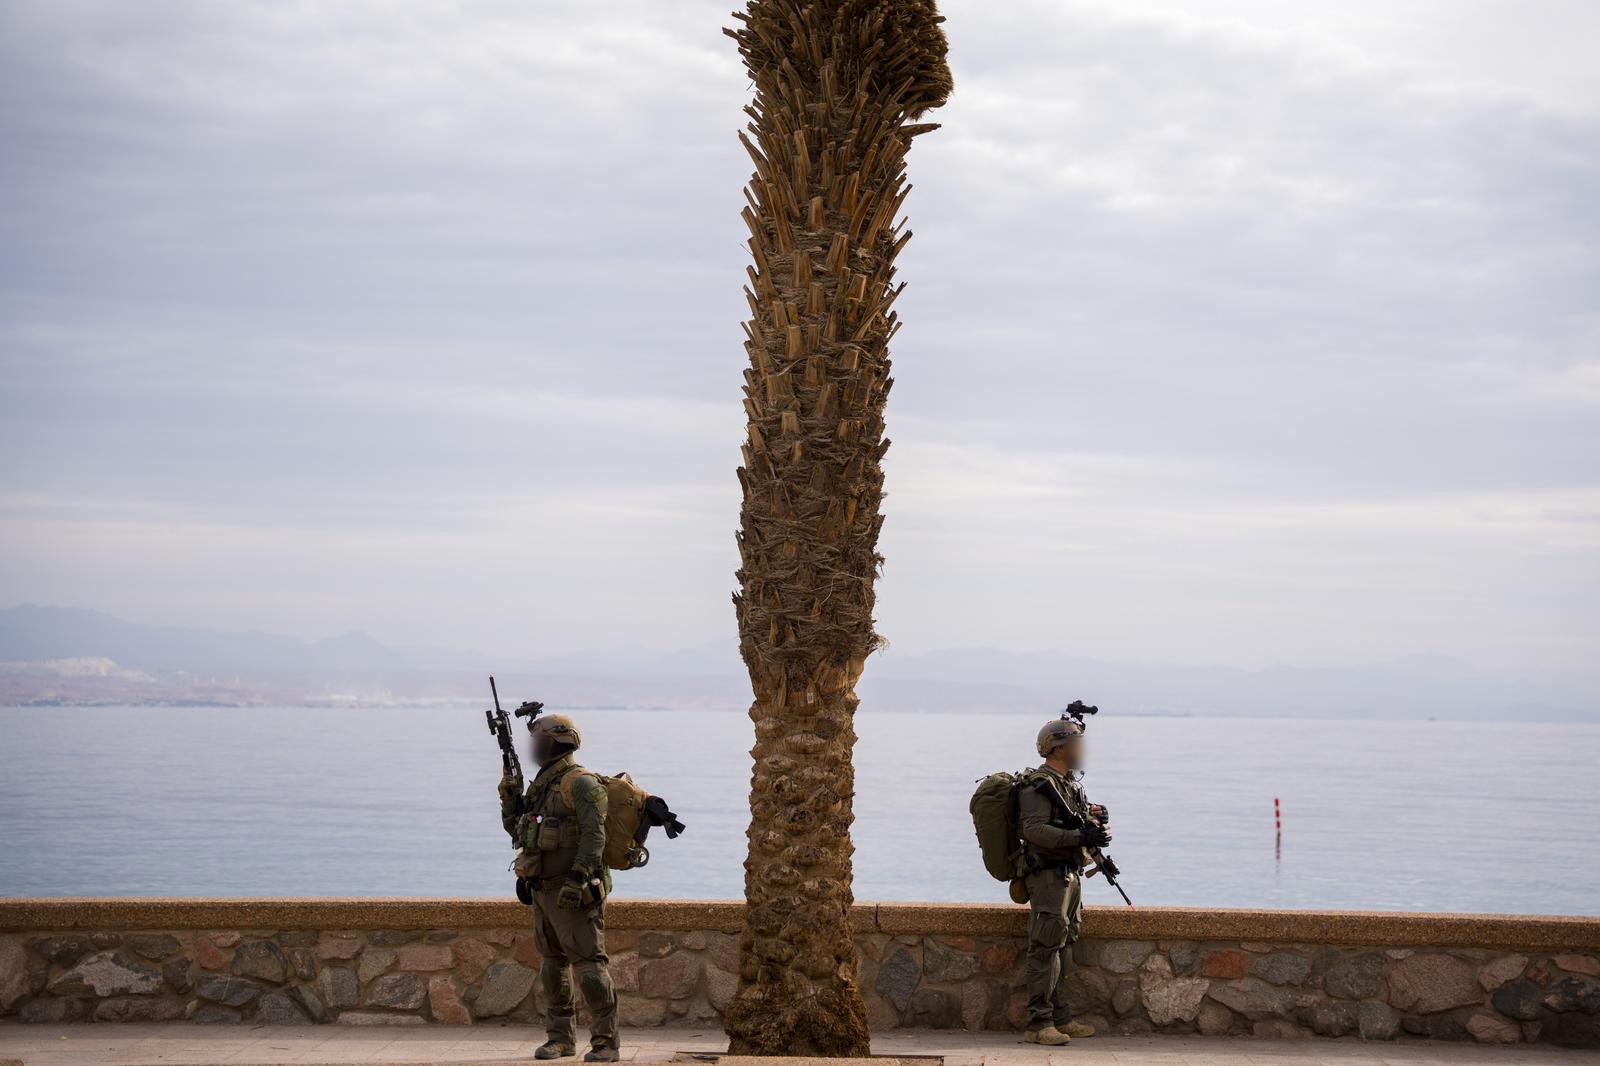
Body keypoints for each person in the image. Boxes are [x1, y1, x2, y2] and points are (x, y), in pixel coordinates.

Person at [499, 714, 619, 1062]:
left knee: (590, 968)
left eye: (538, 740)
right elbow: (518, 831)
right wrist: (510, 797)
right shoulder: (541, 786)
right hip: (542, 889)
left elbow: (595, 837)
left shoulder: (581, 783)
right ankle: (561, 1039)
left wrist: (577, 879)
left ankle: (606, 1043)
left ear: (556, 742)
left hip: (575, 892)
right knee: (553, 967)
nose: (534, 746)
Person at [1016, 715, 1112, 1046]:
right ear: (1058, 748)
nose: (1082, 749)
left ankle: (1061, 1018)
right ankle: (1039, 1024)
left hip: (1070, 874)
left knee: (1065, 945)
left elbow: (1071, 823)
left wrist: (1094, 823)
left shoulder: (1068, 784)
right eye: (1076, 743)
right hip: (1048, 876)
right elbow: (1034, 830)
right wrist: (1079, 836)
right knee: (1045, 948)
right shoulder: (1038, 785)